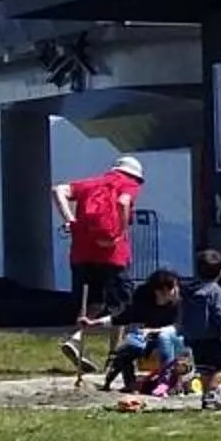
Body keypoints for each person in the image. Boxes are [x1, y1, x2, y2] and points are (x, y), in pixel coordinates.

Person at [52, 156, 145, 374]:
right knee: (120, 305)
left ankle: (76, 339)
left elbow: (58, 190)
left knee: (92, 302)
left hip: (81, 253)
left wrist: (70, 220)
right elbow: (123, 202)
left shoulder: (92, 184)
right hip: (113, 255)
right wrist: (120, 232)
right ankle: (114, 355)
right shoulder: (128, 184)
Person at [101, 268, 188, 395]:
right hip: (150, 338)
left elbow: (180, 326)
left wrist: (155, 330)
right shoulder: (144, 299)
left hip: (176, 340)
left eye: (175, 287)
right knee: (127, 347)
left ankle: (168, 382)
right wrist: (94, 322)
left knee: (165, 337)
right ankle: (129, 383)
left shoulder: (184, 301)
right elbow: (124, 317)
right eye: (171, 288)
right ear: (158, 291)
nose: (175, 291)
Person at [181, 248, 221, 412]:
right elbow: (219, 313)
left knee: (204, 368)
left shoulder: (190, 290)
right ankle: (211, 395)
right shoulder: (216, 291)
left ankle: (207, 397)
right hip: (211, 336)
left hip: (194, 337)